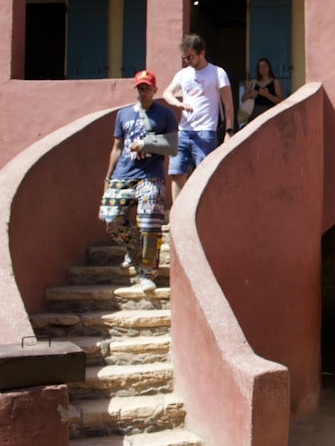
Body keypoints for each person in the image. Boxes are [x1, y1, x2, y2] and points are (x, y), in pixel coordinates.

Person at [100, 70, 179, 294]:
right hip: (123, 174)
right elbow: (117, 147)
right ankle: (134, 245)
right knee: (110, 219)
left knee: (149, 223)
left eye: (146, 88)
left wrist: (145, 144)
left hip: (150, 175)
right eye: (139, 88)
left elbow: (172, 146)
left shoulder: (165, 115)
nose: (142, 92)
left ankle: (147, 273)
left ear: (154, 90)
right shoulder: (123, 115)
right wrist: (108, 177)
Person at [163, 33, 235, 203]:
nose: (187, 60)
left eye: (190, 57)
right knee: (176, 173)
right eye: (184, 57)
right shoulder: (183, 74)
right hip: (183, 131)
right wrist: (178, 104)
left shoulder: (217, 73)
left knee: (203, 174)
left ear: (201, 53)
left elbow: (229, 105)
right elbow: (167, 93)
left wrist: (229, 131)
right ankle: (177, 216)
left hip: (206, 131)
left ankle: (199, 212)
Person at [240, 57, 285, 123]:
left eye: (264, 66)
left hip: (270, 114)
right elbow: (243, 99)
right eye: (260, 67)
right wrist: (250, 95)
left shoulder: (275, 82)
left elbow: (280, 101)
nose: (262, 69)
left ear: (269, 68)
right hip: (254, 114)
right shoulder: (252, 82)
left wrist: (267, 95)